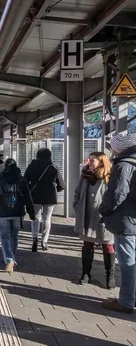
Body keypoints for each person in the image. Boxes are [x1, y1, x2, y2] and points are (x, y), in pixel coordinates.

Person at [99, 133, 136, 313]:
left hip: (126, 221)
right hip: (133, 219)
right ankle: (131, 297)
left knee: (127, 262)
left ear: (119, 148)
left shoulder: (123, 165)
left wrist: (103, 210)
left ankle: (126, 301)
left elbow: (117, 194)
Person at [0, 159, 35, 273]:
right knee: (14, 236)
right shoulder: (21, 179)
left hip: (3, 212)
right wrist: (31, 212)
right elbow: (28, 196)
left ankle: (9, 259)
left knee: (5, 236)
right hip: (18, 212)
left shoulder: (0, 178)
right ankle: (11, 258)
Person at [73, 152, 114, 288]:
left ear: (102, 162)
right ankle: (86, 274)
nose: (89, 163)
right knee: (87, 245)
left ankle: (110, 276)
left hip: (103, 217)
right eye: (89, 160)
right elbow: (77, 192)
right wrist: (77, 206)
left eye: (93, 161)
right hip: (86, 214)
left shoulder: (109, 177)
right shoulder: (85, 175)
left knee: (107, 245)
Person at [24, 148, 65, 252]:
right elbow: (61, 185)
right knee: (47, 218)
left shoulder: (32, 165)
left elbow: (25, 180)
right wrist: (55, 189)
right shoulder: (53, 166)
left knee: (35, 217)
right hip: (50, 196)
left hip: (35, 195)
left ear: (37, 155)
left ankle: (34, 238)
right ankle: (44, 241)